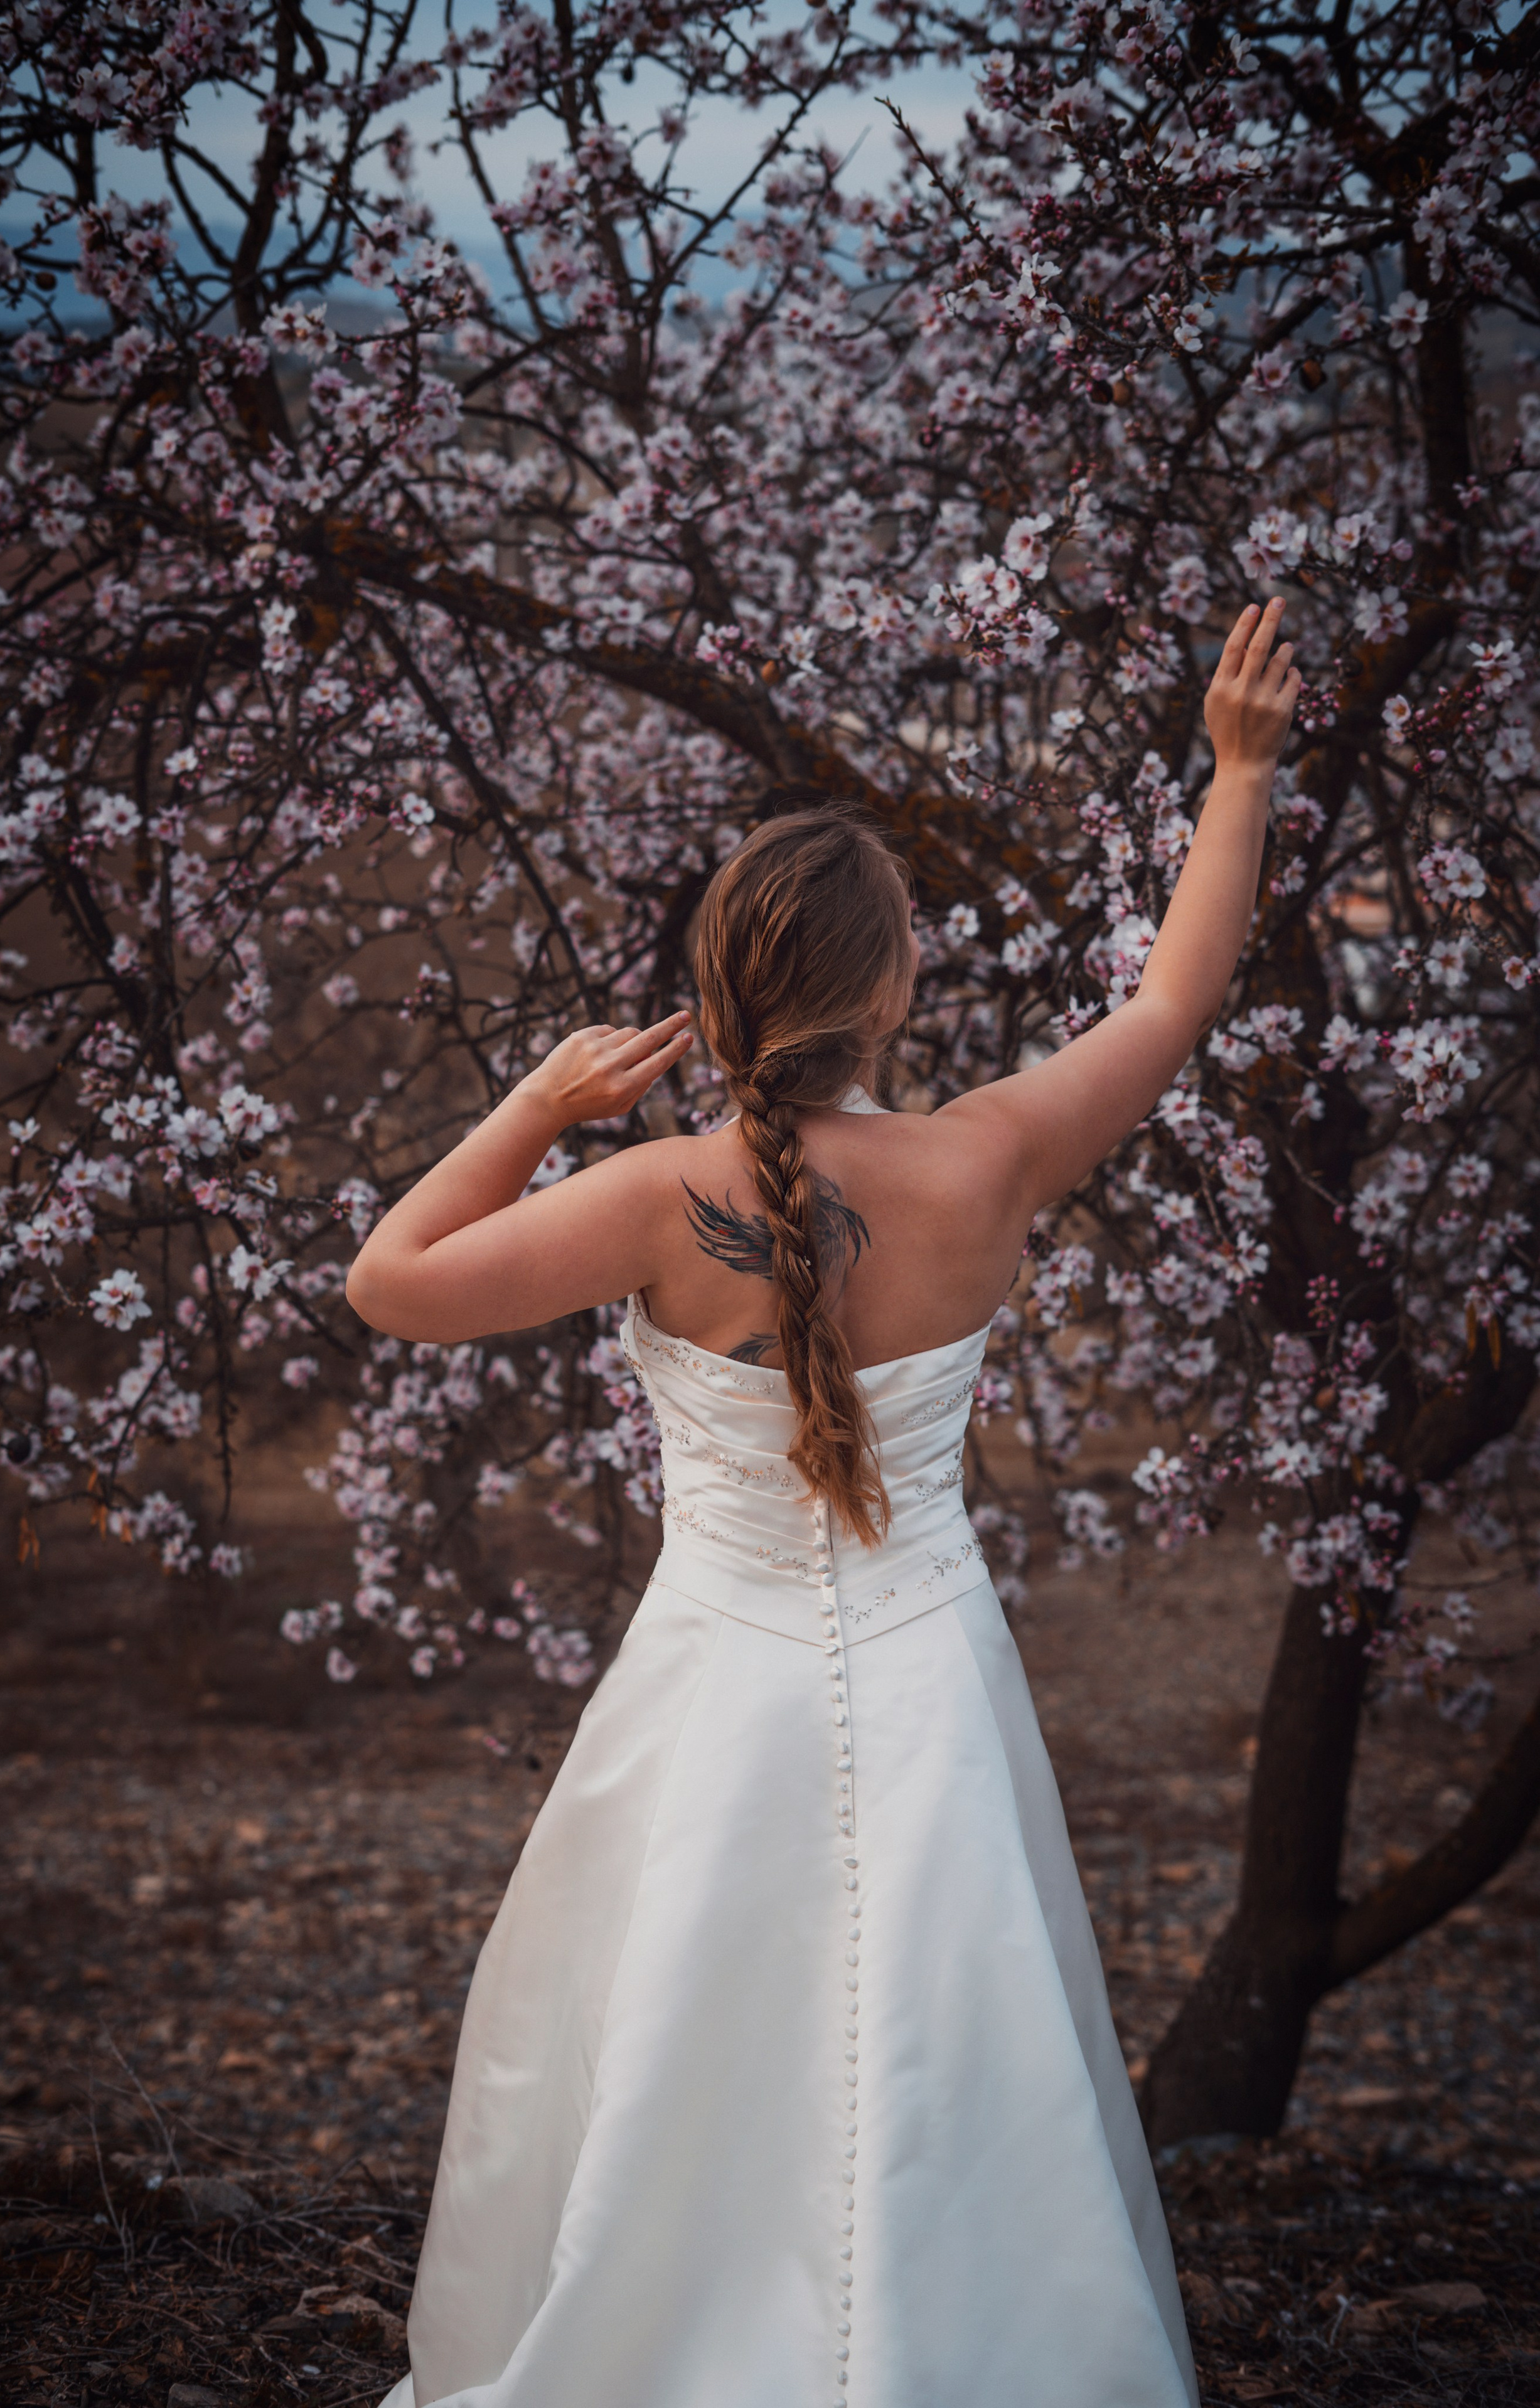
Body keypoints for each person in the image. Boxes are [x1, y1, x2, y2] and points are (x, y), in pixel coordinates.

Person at [350, 600, 1300, 2408]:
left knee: (678, 2037)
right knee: (951, 2049)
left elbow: (389, 1281)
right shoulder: (988, 1159)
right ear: (889, 995)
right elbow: (1175, 1000)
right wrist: (1239, 773)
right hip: (934, 1679)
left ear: (718, 997)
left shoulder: (651, 1196)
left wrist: (538, 1103)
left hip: (713, 1683)